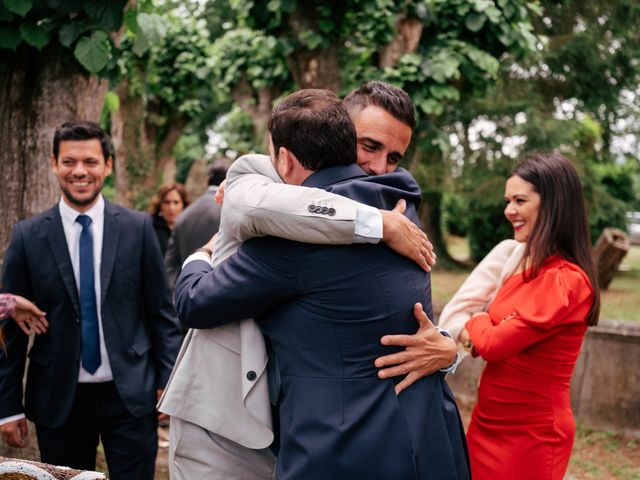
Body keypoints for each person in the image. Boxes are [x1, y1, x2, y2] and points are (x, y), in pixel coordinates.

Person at [158, 82, 457, 479]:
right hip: (427, 436)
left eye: (395, 156)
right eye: (369, 146)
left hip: (342, 445)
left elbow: (194, 302)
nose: (381, 167)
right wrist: (377, 223)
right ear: (339, 130)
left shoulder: (295, 241)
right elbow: (258, 202)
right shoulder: (398, 206)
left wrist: (203, 253)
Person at [0, 121, 183, 480]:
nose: (80, 171)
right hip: (58, 400)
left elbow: (161, 313)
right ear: (54, 163)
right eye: (69, 161)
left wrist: (170, 381)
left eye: (90, 161)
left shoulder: (138, 228)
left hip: (131, 394)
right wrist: (7, 407)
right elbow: (10, 330)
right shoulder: (28, 236)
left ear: (108, 165)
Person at [455, 152, 600, 480]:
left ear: (554, 204)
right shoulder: (524, 269)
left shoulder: (567, 280)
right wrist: (481, 328)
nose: (509, 210)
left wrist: (476, 319)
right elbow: (487, 338)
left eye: (520, 200)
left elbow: (490, 345)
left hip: (532, 436)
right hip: (487, 422)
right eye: (508, 200)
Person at [164, 159, 232, 292]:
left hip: (188, 296)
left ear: (207, 181)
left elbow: (170, 268)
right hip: (224, 296)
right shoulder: (232, 212)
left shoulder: (183, 216)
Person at [148, 183, 190, 256]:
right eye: (167, 202)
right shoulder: (150, 228)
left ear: (183, 205)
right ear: (160, 205)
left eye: (176, 202)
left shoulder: (190, 229)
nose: (171, 208)